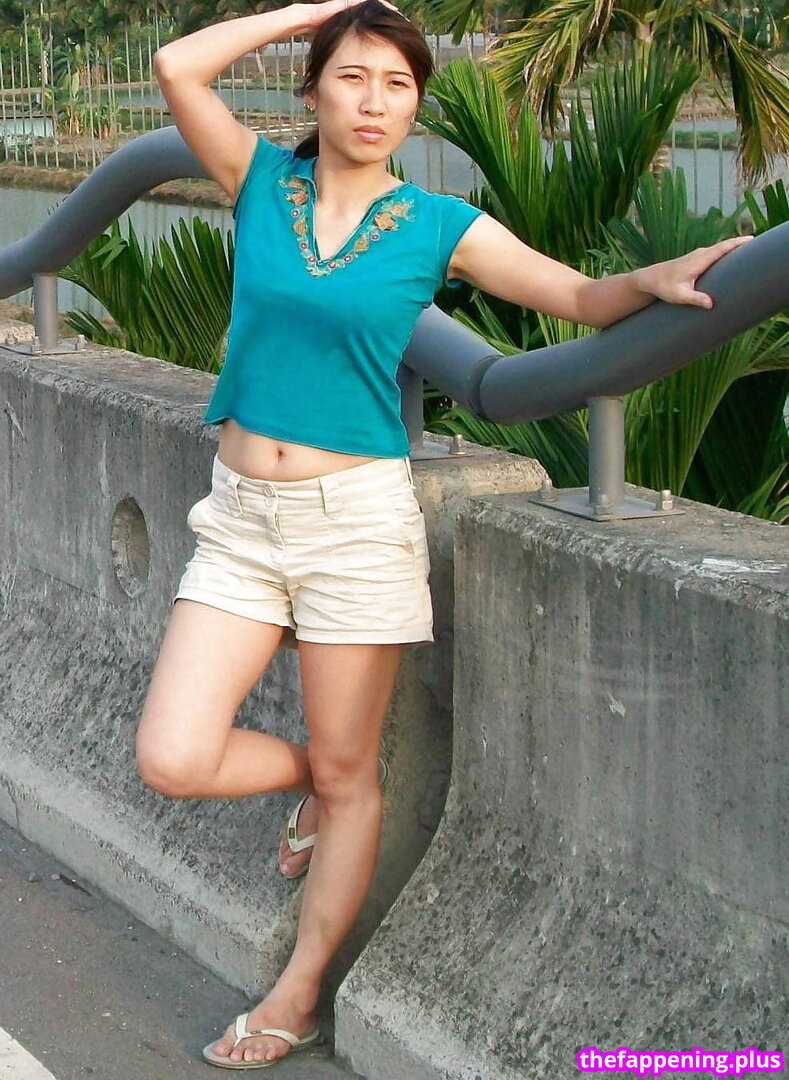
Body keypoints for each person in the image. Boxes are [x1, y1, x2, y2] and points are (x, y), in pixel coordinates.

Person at [135, 0, 754, 1068]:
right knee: (173, 757)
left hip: (355, 525)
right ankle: (317, 787)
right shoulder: (261, 183)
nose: (374, 102)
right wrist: (318, 10)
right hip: (237, 520)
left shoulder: (435, 226)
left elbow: (572, 294)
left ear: (415, 104)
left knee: (353, 773)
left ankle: (298, 992)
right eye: (351, 76)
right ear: (313, 90)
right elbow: (176, 63)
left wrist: (651, 283)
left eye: (398, 84)